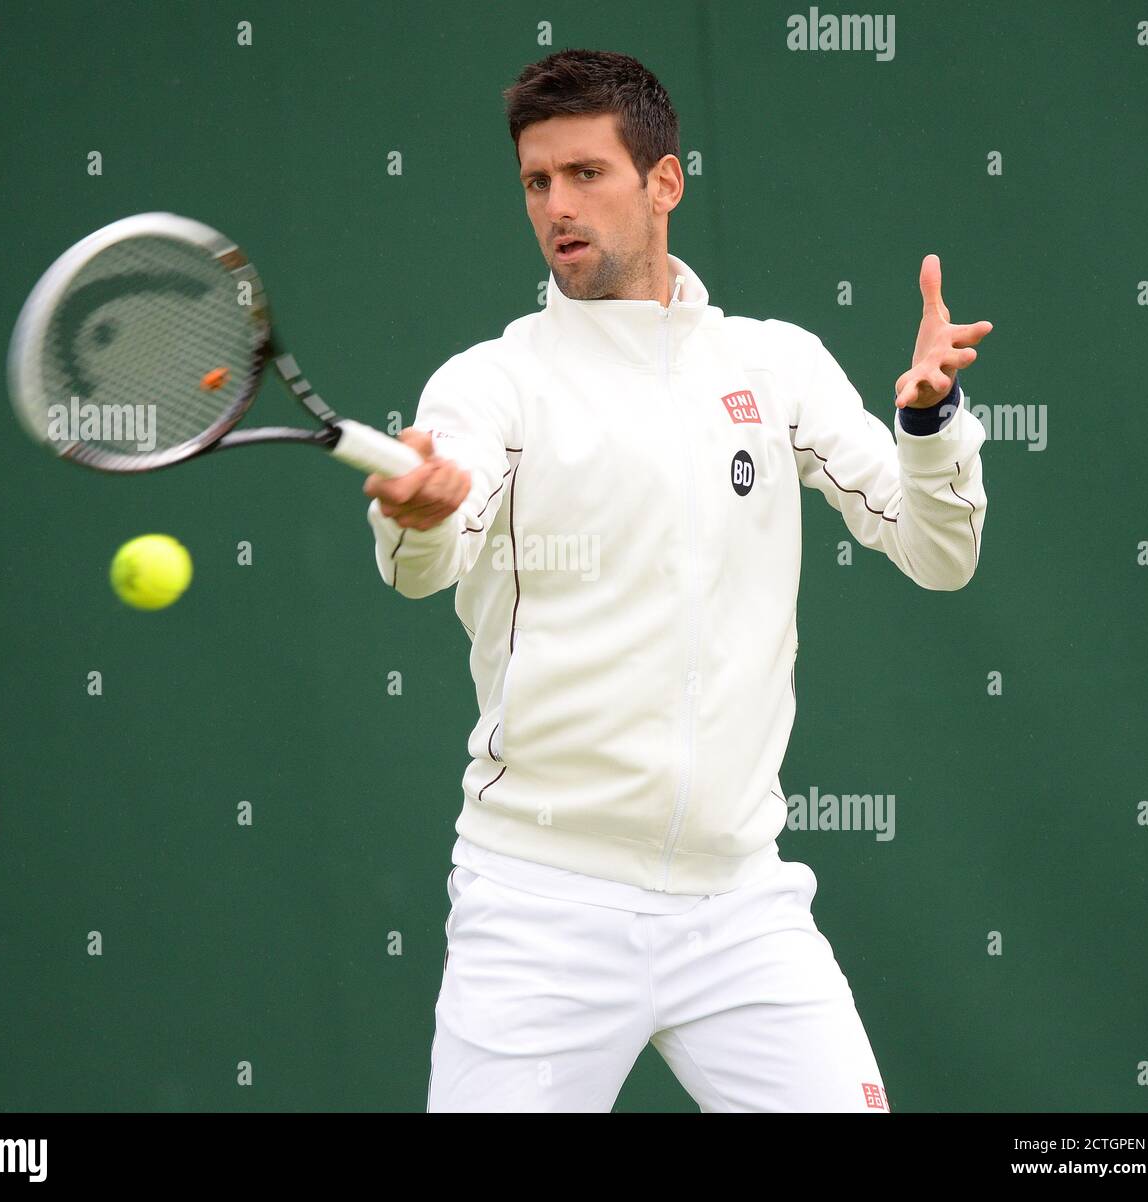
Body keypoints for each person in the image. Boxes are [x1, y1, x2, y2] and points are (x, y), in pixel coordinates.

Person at [363, 48, 991, 1113]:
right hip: (539, 908)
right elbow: (432, 553)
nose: (557, 206)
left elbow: (939, 549)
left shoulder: (773, 365)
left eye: (585, 174)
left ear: (664, 181)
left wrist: (928, 425)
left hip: (740, 904)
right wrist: (416, 515)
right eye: (535, 181)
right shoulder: (492, 382)